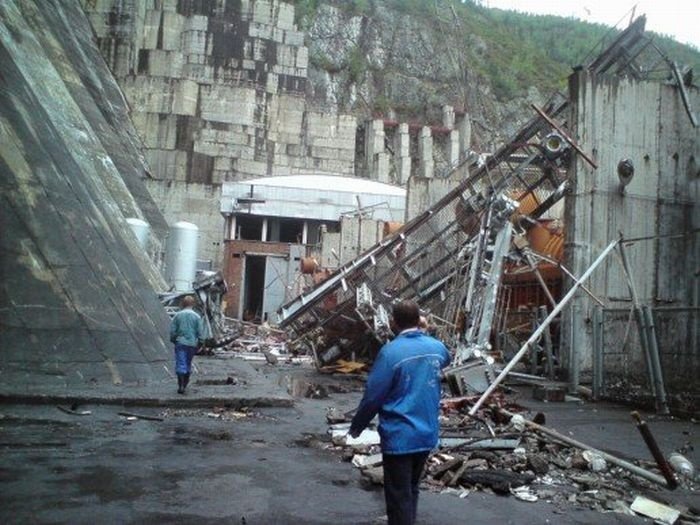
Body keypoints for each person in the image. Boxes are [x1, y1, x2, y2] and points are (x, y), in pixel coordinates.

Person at [349, 301, 451, 525]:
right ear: (419, 320)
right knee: (412, 489)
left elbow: (373, 395)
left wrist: (357, 427)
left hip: (400, 436)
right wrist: (423, 331)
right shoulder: (436, 348)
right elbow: (447, 359)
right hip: (426, 433)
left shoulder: (391, 352)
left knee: (398, 495)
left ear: (393, 322)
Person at [169, 295, 204, 394]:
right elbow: (200, 332)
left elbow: (173, 331)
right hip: (192, 344)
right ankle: (185, 383)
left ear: (183, 304)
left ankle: (180, 386)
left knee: (181, 362)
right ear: (193, 304)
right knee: (188, 363)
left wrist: (173, 340)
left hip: (180, 342)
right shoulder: (197, 317)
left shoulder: (178, 315)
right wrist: (200, 344)